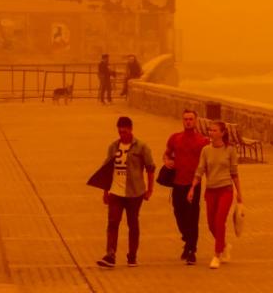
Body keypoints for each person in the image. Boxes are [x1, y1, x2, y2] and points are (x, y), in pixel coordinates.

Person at [97, 116, 156, 268]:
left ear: (130, 130)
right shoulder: (113, 147)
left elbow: (150, 168)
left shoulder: (142, 147)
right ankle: (110, 254)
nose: (122, 135)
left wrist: (150, 189)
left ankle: (132, 256)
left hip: (135, 192)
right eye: (119, 132)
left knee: (133, 224)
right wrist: (105, 192)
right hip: (116, 192)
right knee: (112, 223)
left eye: (124, 132)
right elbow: (107, 170)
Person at [188, 121, 243, 269]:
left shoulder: (230, 150)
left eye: (214, 130)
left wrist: (239, 193)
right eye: (210, 130)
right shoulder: (206, 150)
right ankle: (224, 245)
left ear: (222, 133)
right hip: (211, 190)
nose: (211, 133)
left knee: (219, 222)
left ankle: (216, 255)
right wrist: (192, 187)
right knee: (211, 224)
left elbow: (234, 173)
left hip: (225, 190)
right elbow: (200, 170)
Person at [164, 109, 209, 265]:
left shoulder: (203, 141)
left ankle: (191, 250)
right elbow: (167, 153)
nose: (188, 121)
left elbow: (208, 162)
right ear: (182, 121)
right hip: (177, 183)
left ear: (195, 121)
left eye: (191, 119)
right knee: (179, 214)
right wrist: (166, 161)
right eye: (185, 119)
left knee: (192, 217)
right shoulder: (175, 138)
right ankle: (187, 238)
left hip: (193, 184)